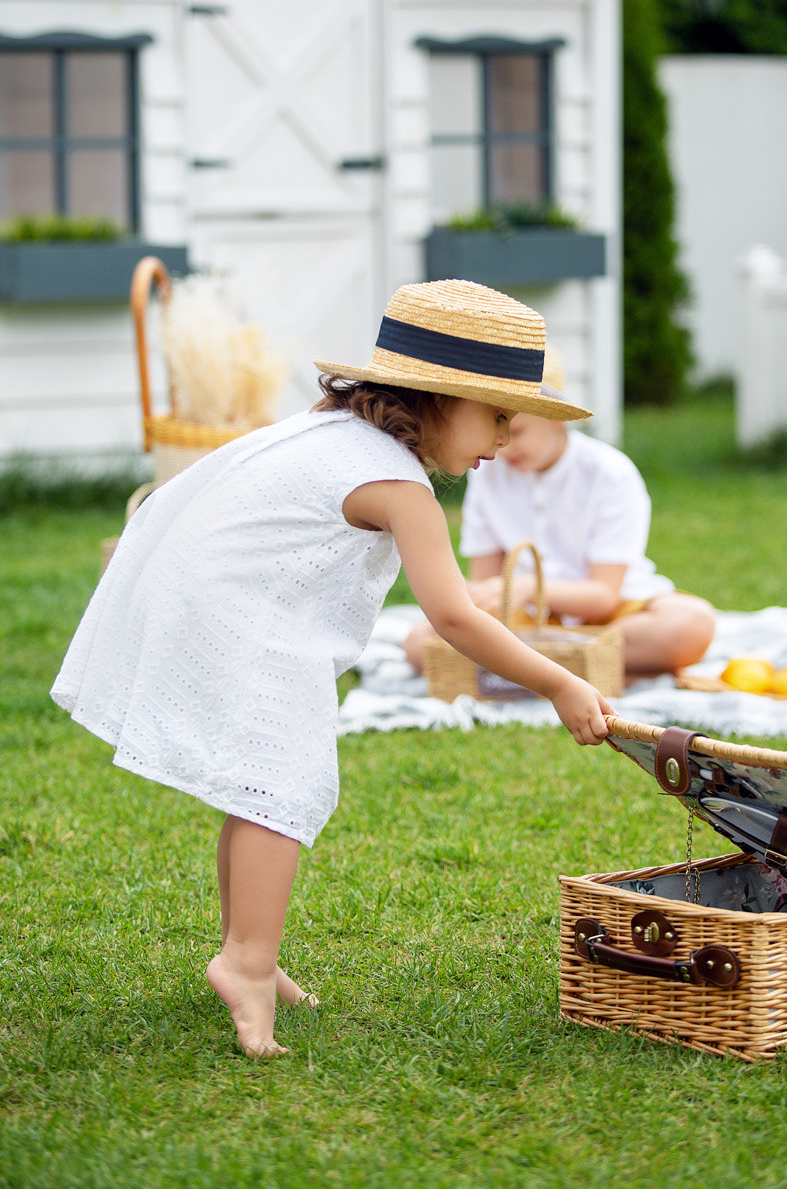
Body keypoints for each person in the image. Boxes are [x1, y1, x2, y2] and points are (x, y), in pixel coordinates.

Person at [51, 281, 612, 1061]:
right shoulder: (401, 487)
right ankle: (245, 964)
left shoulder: (333, 434)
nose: (506, 436)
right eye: (497, 415)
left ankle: (249, 948)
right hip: (247, 615)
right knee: (281, 785)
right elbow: (454, 617)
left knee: (258, 782)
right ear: (440, 398)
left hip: (215, 595)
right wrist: (558, 680)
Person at [404, 351, 715, 680]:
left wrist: (527, 588)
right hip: (524, 619)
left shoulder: (610, 473)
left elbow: (604, 595)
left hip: (612, 618)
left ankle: (526, 666)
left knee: (691, 624)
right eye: (494, 428)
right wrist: (482, 599)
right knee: (418, 643)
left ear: (557, 418)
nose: (503, 446)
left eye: (517, 431)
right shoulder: (487, 475)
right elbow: (485, 581)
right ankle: (575, 664)